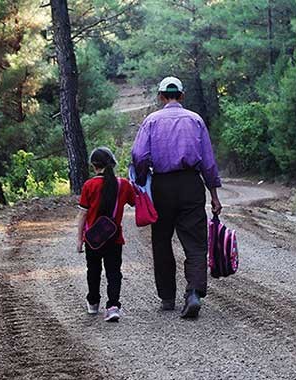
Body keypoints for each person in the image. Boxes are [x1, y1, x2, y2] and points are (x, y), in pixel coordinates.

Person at [131, 76, 222, 319]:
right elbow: (209, 163)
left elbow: (139, 156)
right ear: (181, 95)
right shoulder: (195, 120)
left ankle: (167, 297)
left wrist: (142, 180)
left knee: (161, 242)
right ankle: (193, 292)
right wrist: (214, 195)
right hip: (191, 185)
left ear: (161, 96)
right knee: (195, 243)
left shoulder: (150, 121)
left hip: (162, 186)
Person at [77, 147, 135, 322]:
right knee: (114, 272)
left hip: (93, 239)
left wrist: (80, 239)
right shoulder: (123, 184)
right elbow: (134, 202)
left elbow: (83, 214)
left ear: (94, 166)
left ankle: (93, 303)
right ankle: (113, 306)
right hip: (114, 237)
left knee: (93, 270)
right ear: (113, 164)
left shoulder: (89, 185)